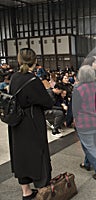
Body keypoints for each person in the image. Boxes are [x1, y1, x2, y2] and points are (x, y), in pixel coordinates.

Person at [8, 48, 53, 200]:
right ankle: (42, 189)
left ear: (19, 60)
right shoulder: (33, 81)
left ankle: (26, 192)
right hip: (32, 120)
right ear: (35, 61)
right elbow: (48, 103)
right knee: (38, 152)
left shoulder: (14, 77)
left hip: (16, 122)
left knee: (20, 154)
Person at [72, 65, 96, 181]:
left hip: (84, 123)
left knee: (90, 147)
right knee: (89, 145)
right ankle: (87, 163)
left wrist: (71, 121)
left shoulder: (78, 89)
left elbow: (75, 109)